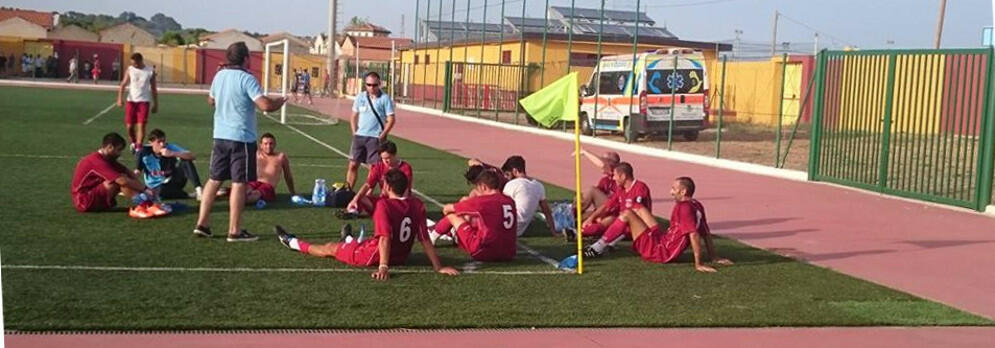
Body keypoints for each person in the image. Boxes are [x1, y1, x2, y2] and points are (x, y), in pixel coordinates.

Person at [274, 169, 459, 280]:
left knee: (330, 248)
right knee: (358, 242)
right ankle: (347, 238)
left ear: (386, 187)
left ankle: (292, 242)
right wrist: (438, 267)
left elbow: (385, 239)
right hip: (401, 256)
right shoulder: (417, 204)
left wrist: (383, 267)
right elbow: (425, 238)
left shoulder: (383, 205)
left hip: (374, 256)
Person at [193, 41, 287, 242]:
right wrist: (280, 101)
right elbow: (265, 105)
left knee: (214, 179)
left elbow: (211, 101)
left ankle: (202, 224)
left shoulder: (219, 76)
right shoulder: (247, 78)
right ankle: (234, 230)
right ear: (246, 58)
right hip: (241, 138)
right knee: (239, 182)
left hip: (220, 136)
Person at [583, 177, 734, 272]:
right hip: (663, 241)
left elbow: (694, 234)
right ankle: (611, 240)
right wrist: (714, 256)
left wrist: (698, 263)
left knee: (627, 214)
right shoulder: (696, 205)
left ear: (683, 191)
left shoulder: (684, 208)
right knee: (637, 208)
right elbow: (706, 233)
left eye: (674, 189)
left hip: (660, 251)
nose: (670, 192)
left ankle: (598, 247)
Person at [437, 170, 518, 262]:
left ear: (483, 187)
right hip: (509, 253)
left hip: (484, 251)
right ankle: (452, 234)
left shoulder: (482, 202)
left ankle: (433, 235)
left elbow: (447, 209)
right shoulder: (510, 201)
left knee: (452, 216)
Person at [71, 132, 156, 215]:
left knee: (123, 177)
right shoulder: (96, 161)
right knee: (118, 180)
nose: (120, 154)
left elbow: (128, 172)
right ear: (110, 147)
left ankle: (147, 203)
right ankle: (144, 204)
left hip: (91, 195)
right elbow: (122, 181)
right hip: (83, 201)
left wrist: (146, 190)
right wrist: (145, 189)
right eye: (118, 150)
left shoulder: (107, 159)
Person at [346, 71, 396, 190]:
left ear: (379, 84)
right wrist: (354, 132)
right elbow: (353, 116)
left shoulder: (385, 99)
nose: (371, 87)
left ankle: (377, 192)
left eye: (374, 85)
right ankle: (348, 191)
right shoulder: (360, 97)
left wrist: (383, 134)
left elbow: (391, 119)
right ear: (365, 85)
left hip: (375, 138)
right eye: (369, 85)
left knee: (374, 168)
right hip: (360, 136)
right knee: (353, 165)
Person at [576, 162, 651, 239]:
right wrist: (591, 218)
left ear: (623, 176)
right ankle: (580, 230)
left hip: (636, 227)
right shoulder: (620, 189)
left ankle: (581, 232)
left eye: (615, 175)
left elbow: (639, 213)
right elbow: (607, 205)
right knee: (602, 218)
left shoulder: (640, 188)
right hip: (622, 222)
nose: (614, 178)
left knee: (611, 221)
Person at [134, 128, 204, 200]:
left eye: (163, 141)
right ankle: (187, 195)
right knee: (160, 191)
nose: (162, 144)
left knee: (186, 161)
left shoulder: (170, 147)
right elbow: (137, 171)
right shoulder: (144, 152)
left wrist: (172, 153)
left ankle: (199, 191)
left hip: (173, 180)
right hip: (156, 186)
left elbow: (192, 156)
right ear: (151, 142)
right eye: (159, 142)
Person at [347, 140, 412, 215]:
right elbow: (367, 185)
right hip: (384, 200)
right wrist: (355, 199)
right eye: (383, 158)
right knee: (360, 196)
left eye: (388, 158)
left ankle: (387, 211)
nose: (386, 161)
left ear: (395, 155)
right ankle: (355, 210)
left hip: (399, 200)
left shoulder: (405, 168)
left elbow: (405, 190)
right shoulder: (379, 166)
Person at [500, 156, 556, 237]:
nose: (507, 178)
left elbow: (500, 206)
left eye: (508, 174)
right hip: (519, 231)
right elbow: (547, 211)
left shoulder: (512, 185)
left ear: (514, 171)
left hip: (507, 227)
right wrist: (553, 231)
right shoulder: (539, 186)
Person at [116, 53, 158, 152]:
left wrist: (156, 104)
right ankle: (134, 142)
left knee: (141, 125)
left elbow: (154, 88)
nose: (134, 65)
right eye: (132, 63)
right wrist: (119, 98)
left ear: (140, 61)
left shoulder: (150, 71)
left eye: (135, 63)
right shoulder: (130, 69)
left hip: (144, 102)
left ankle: (139, 147)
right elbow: (123, 84)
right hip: (131, 101)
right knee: (129, 127)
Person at [244, 133, 297, 204]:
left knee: (250, 197)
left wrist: (293, 193)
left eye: (271, 144)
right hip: (254, 183)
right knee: (240, 192)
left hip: (268, 187)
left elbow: (288, 176)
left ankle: (242, 199)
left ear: (275, 144)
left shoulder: (280, 157)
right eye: (265, 144)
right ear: (261, 145)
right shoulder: (256, 154)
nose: (268, 146)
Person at [575, 149, 621, 214]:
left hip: (615, 209)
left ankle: (572, 212)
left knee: (591, 190)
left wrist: (585, 152)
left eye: (604, 160)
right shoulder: (605, 180)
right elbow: (595, 196)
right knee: (584, 216)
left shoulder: (618, 174)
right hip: (603, 209)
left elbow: (603, 165)